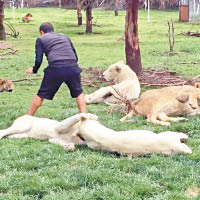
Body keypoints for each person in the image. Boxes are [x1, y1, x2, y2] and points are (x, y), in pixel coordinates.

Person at [25, 22, 86, 115]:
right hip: (73, 67)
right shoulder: (65, 37)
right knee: (79, 93)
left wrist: (34, 70)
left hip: (56, 68)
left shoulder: (41, 39)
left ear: (41, 32)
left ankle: (27, 117)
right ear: (52, 30)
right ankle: (84, 116)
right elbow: (75, 54)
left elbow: (38, 59)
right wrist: (72, 66)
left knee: (41, 95)